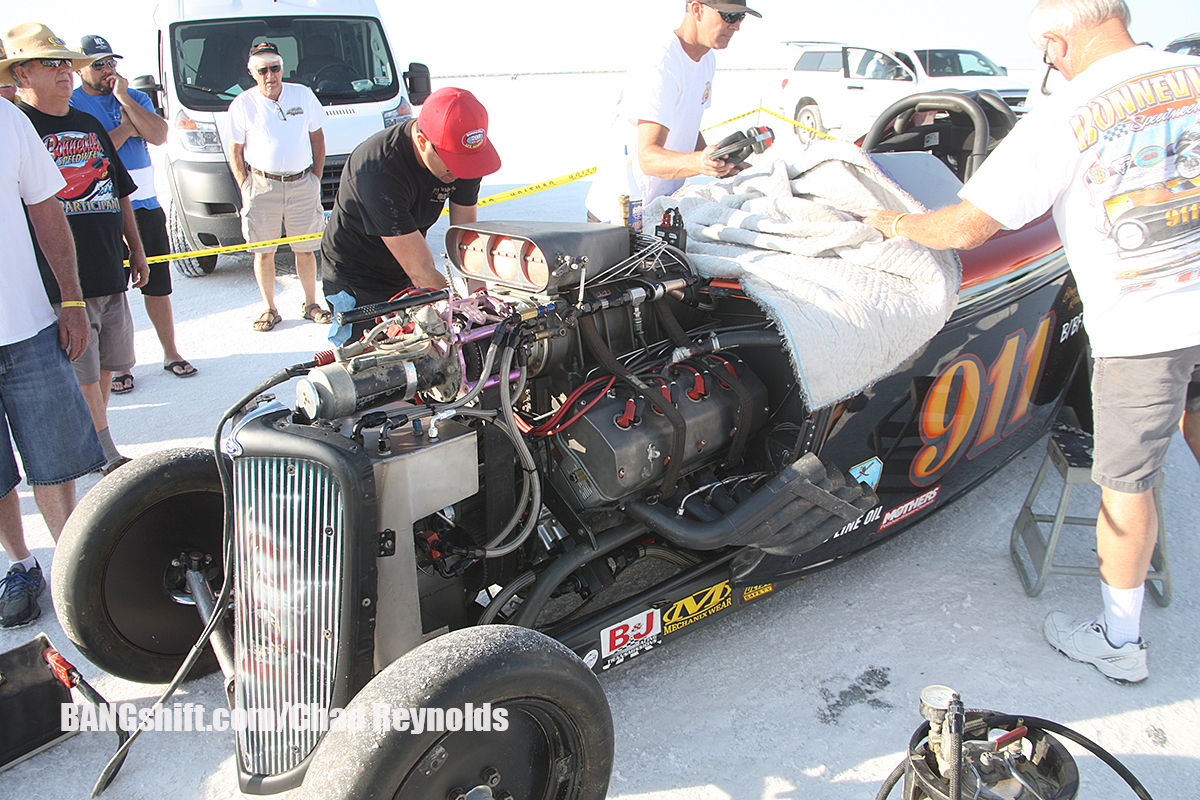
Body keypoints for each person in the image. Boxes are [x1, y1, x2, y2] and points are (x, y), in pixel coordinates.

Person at [861, 0, 1200, 683]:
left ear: (1057, 40)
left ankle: (1121, 641)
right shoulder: (1190, 73)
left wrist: (889, 222)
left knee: (1126, 482)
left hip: (1148, 322)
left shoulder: (1069, 113)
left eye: (1048, 53)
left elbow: (965, 228)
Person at [4, 22, 150, 477]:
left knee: (108, 366)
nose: (65, 72)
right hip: (60, 282)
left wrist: (137, 248)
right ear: (22, 75)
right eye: (51, 64)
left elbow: (118, 188)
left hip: (109, 268)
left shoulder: (88, 121)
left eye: (67, 63)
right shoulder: (17, 124)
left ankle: (96, 437)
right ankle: (105, 452)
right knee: (82, 372)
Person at [0, 73, 106, 628]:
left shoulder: (10, 121)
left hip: (27, 328)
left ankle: (70, 569)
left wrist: (71, 299)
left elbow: (47, 212)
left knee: (55, 460)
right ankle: (18, 566)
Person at [320, 86, 500, 342]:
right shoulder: (377, 169)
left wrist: (482, 306)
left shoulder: (465, 157)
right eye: (453, 165)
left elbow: (467, 241)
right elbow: (421, 269)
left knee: (428, 355)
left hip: (404, 274)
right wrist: (460, 311)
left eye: (467, 164)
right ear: (423, 142)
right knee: (371, 363)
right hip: (356, 279)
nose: (460, 173)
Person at [71, 34, 196, 390]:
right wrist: (127, 126)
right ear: (81, 68)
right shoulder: (75, 104)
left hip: (145, 204)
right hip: (104, 208)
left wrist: (125, 99)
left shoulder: (133, 96)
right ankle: (121, 365)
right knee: (113, 291)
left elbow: (159, 134)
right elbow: (97, 151)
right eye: (99, 64)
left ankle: (171, 352)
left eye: (112, 62)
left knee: (157, 283)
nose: (108, 70)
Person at [584, 0, 759, 221]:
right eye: (729, 16)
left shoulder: (706, 59)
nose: (736, 26)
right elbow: (647, 158)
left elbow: (687, 126)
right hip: (618, 217)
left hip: (659, 211)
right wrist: (701, 163)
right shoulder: (661, 63)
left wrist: (721, 161)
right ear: (697, 9)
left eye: (740, 17)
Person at [227, 41, 330, 332]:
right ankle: (270, 309)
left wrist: (315, 178)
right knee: (264, 252)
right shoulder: (243, 104)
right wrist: (245, 186)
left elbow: (318, 138)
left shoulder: (303, 95)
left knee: (306, 249)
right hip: (261, 186)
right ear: (252, 72)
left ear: (282, 68)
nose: (270, 75)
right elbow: (235, 150)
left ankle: (311, 304)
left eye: (275, 68)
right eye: (262, 70)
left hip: (302, 183)